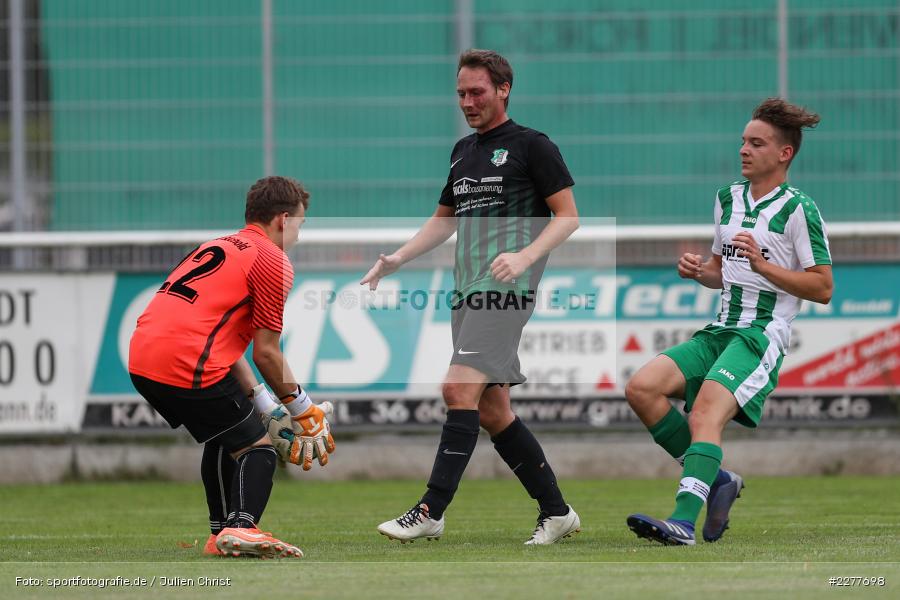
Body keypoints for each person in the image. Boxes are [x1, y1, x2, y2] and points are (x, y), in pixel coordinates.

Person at [361, 49, 582, 545]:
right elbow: (445, 220)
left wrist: (524, 257)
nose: (467, 101)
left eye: (476, 91)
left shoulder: (532, 145)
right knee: (492, 411)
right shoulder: (463, 151)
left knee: (457, 390)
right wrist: (398, 258)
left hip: (504, 288)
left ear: (503, 89)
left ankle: (431, 510)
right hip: (467, 291)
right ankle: (557, 511)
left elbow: (568, 217)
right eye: (461, 93)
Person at [625, 98, 833, 545]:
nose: (743, 149)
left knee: (704, 414)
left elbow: (822, 287)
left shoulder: (799, 209)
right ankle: (718, 479)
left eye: (756, 143)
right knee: (641, 388)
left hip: (760, 337)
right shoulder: (727, 198)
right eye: (742, 141)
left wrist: (765, 266)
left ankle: (682, 522)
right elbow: (722, 273)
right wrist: (698, 270)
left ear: (784, 154)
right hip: (718, 330)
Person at [128, 176, 335, 558]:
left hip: (143, 355)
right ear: (283, 220)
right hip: (186, 358)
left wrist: (264, 402)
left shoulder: (218, 244)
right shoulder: (274, 260)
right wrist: (303, 409)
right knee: (259, 449)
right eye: (300, 225)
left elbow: (223, 346)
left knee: (229, 434)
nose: (299, 236)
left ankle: (219, 534)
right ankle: (243, 527)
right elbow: (267, 353)